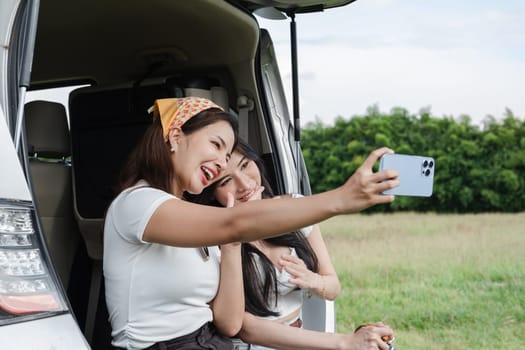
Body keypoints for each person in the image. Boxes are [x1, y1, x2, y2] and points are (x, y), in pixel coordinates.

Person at [103, 96, 399, 350]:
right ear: (176, 136)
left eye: (228, 154)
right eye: (216, 145)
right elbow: (234, 224)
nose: (220, 162)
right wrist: (340, 199)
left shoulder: (200, 225)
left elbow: (230, 324)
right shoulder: (136, 203)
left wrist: (231, 246)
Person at [189, 140, 394, 350]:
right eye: (225, 181)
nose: (244, 184)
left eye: (245, 165)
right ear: (211, 192)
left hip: (300, 339)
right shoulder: (211, 238)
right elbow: (243, 326)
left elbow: (333, 288)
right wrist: (344, 342)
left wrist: (313, 280)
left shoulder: (295, 207)